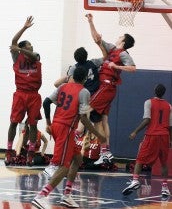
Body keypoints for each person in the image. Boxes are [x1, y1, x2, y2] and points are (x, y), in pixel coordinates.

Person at [32, 66, 106, 209]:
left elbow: (46, 102)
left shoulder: (63, 86)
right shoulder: (84, 91)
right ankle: (41, 196)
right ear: (85, 78)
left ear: (72, 76)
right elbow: (84, 119)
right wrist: (98, 134)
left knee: (77, 159)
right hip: (65, 129)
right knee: (64, 166)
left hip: (58, 126)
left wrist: (48, 122)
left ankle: (67, 196)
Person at [85, 13, 136, 165]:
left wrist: (116, 66)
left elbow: (133, 68)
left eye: (121, 36)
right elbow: (97, 39)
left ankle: (76, 136)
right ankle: (105, 152)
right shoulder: (112, 49)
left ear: (124, 40)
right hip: (107, 88)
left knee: (85, 109)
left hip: (106, 86)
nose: (118, 36)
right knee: (102, 120)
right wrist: (91, 22)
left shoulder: (123, 54)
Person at [122, 84, 172, 197]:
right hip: (165, 136)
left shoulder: (148, 102)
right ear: (163, 93)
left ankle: (135, 181)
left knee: (139, 159)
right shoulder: (169, 106)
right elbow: (170, 126)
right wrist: (171, 140)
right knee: (164, 163)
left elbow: (147, 120)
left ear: (154, 91)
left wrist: (135, 131)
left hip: (152, 135)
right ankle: (165, 188)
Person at [5, 16, 42, 166]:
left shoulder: (36, 56)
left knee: (33, 125)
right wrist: (24, 27)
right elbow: (14, 42)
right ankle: (8, 152)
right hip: (20, 93)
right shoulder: (16, 57)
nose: (32, 47)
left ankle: (30, 154)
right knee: (14, 122)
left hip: (33, 95)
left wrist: (19, 48)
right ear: (24, 47)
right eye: (29, 45)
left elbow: (28, 53)